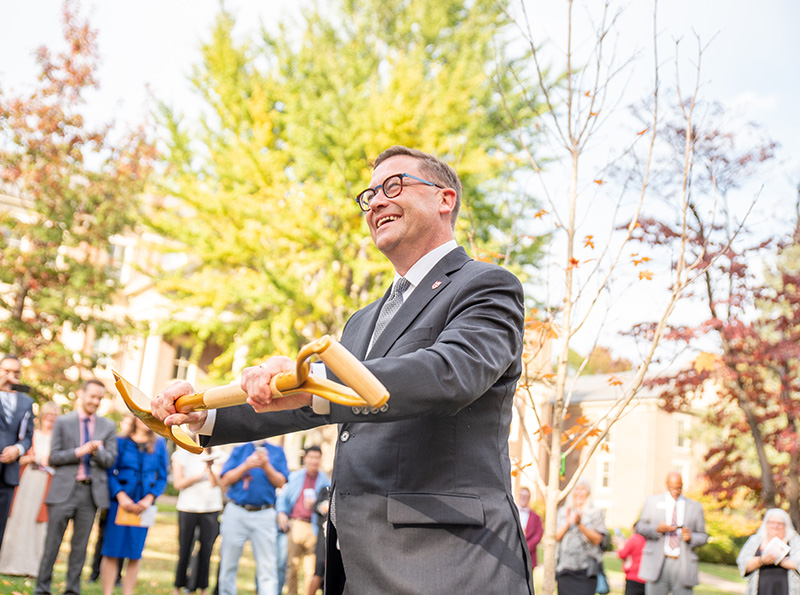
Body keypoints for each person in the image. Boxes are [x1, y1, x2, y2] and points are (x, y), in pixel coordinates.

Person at [152, 145, 532, 594]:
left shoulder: (486, 286)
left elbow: (449, 373)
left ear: (444, 199)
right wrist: (205, 413)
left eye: (394, 185)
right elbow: (317, 405)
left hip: (449, 563)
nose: (375, 202)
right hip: (357, 565)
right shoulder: (362, 321)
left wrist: (315, 384)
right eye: (368, 195)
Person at [35, 379, 118, 595]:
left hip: (90, 495)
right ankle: (42, 589)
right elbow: (52, 457)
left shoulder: (108, 426)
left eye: (100, 398)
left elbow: (110, 460)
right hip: (63, 491)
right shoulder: (63, 422)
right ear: (81, 394)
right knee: (52, 544)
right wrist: (79, 452)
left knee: (80, 548)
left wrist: (95, 451)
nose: (95, 401)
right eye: (92, 396)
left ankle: (72, 590)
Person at [99, 417, 169, 595]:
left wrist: (149, 499)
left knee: (135, 551)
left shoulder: (160, 444)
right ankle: (107, 592)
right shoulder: (120, 441)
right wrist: (120, 495)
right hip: (120, 503)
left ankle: (127, 592)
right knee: (112, 550)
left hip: (143, 505)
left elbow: (162, 477)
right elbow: (110, 471)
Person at [217, 439, 288, 595]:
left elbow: (282, 482)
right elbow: (224, 480)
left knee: (267, 568)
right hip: (236, 512)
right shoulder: (239, 449)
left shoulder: (276, 452)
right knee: (228, 564)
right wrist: (246, 466)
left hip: (264, 513)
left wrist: (266, 466)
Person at [0, 401, 59, 576]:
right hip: (26, 481)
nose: (50, 418)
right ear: (42, 416)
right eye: (48, 415)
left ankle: (32, 567)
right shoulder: (31, 435)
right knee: (17, 519)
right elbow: (19, 458)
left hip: (45, 484)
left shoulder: (58, 439)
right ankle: (9, 563)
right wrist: (31, 459)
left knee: (38, 525)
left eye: (54, 416)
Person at [636, 471, 708, 595]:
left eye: (678, 488)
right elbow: (640, 527)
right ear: (667, 485)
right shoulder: (652, 502)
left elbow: (703, 536)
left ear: (682, 485)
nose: (675, 491)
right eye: (672, 488)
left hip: (683, 564)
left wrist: (691, 537)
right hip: (657, 562)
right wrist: (657, 529)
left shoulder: (695, 506)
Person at [87, 414, 135, 584]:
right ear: (122, 423)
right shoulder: (114, 441)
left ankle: (117, 576)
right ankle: (95, 573)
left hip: (128, 498)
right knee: (103, 536)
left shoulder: (134, 445)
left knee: (122, 537)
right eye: (128, 422)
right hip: (110, 497)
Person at [277, 445, 331, 595]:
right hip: (296, 524)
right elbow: (283, 496)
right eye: (311, 457)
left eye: (317, 458)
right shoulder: (295, 477)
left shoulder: (325, 481)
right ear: (305, 458)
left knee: (311, 571)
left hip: (314, 527)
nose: (314, 461)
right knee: (292, 567)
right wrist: (281, 513)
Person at [172, 445, 224, 595]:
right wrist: (201, 473)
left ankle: (202, 588)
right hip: (187, 507)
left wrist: (211, 469)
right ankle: (178, 586)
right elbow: (178, 484)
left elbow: (217, 484)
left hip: (211, 508)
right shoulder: (181, 455)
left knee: (206, 550)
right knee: (184, 549)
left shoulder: (219, 455)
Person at [0, 354, 35, 551]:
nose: (11, 376)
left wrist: (18, 448)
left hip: (8, 473)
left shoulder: (26, 402)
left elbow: (28, 435)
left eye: (16, 372)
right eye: (6, 371)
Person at [555, 478, 608, 595]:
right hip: (565, 569)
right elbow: (555, 537)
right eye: (577, 489)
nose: (579, 492)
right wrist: (568, 523)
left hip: (587, 571)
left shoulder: (596, 512)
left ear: (588, 491)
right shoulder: (563, 511)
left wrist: (580, 525)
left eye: (583, 489)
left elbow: (598, 540)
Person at [737, 508, 800, 595]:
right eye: (772, 523)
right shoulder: (755, 540)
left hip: (786, 589)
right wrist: (762, 560)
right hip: (761, 589)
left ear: (786, 525)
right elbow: (743, 563)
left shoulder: (795, 541)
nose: (775, 526)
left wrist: (778, 560)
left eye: (780, 524)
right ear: (766, 523)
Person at [306, 485, 331, 595]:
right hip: (323, 534)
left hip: (338, 536)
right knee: (319, 569)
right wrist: (324, 507)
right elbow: (316, 507)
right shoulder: (325, 489)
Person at [516, 486, 543, 569]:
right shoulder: (512, 513)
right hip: (513, 552)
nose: (523, 498)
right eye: (522, 495)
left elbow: (538, 535)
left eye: (526, 496)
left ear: (529, 498)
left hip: (530, 555)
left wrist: (527, 547)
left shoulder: (536, 517)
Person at [615, 526, 647, 595]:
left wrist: (620, 544)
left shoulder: (634, 539)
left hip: (634, 576)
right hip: (647, 576)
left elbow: (622, 554)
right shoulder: (649, 540)